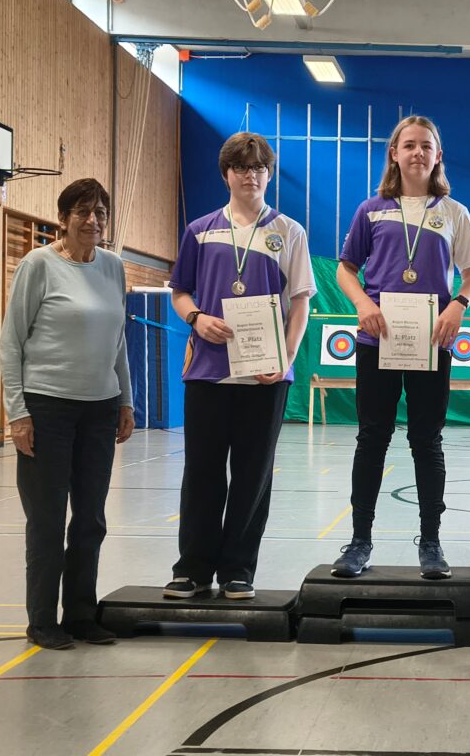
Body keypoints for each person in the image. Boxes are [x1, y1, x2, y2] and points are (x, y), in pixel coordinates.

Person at [163, 132, 316, 600]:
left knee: (253, 477)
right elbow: (180, 291)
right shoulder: (200, 230)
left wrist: (285, 357)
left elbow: (301, 301)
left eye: (258, 168)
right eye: (241, 168)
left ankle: (238, 570)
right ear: (226, 174)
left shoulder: (289, 231)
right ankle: (192, 568)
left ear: (269, 175)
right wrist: (196, 317)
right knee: (202, 472)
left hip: (265, 376)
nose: (250, 175)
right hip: (208, 373)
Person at [331, 115, 470, 580]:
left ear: (438, 156)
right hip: (377, 339)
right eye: (410, 144)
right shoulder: (370, 209)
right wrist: (362, 304)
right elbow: (345, 269)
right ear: (394, 154)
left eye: (426, 146)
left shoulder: (454, 212)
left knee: (427, 440)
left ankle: (431, 543)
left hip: (432, 340)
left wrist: (458, 305)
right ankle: (359, 542)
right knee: (371, 438)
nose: (418, 152)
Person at [0, 178, 135, 649]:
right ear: (63, 218)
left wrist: (125, 400)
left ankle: (80, 614)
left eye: (100, 213)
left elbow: (118, 342)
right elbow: (11, 342)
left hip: (100, 410)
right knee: (47, 520)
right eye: (82, 212)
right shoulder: (38, 265)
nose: (93, 220)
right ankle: (42, 621)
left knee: (90, 519)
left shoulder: (113, 267)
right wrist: (17, 413)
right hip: (47, 409)